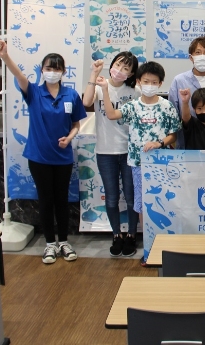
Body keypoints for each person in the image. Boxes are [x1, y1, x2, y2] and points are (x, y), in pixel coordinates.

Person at [0, 40, 86, 265]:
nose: (53, 72)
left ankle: (64, 241)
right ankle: (50, 243)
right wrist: (5, 57)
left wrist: (69, 138)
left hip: (63, 157)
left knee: (62, 200)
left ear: (63, 71)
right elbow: (19, 75)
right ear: (42, 70)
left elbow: (76, 124)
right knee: (45, 200)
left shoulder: (71, 95)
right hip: (39, 157)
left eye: (57, 68)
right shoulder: (34, 92)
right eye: (48, 68)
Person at [98, 61, 180, 264]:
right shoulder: (133, 106)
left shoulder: (167, 106)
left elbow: (174, 135)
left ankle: (169, 248)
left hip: (162, 165)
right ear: (138, 82)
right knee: (143, 205)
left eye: (154, 82)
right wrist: (105, 90)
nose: (150, 85)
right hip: (137, 164)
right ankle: (149, 248)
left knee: (165, 204)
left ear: (160, 83)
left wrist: (159, 143)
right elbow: (111, 114)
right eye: (146, 81)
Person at [82, 52, 140, 257]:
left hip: (129, 151)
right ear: (111, 65)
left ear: (131, 73)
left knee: (131, 198)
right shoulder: (100, 85)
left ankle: (131, 235)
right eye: (117, 65)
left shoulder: (135, 91)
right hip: (105, 151)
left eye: (126, 68)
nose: (120, 70)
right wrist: (94, 73)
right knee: (112, 197)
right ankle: (116, 235)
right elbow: (86, 101)